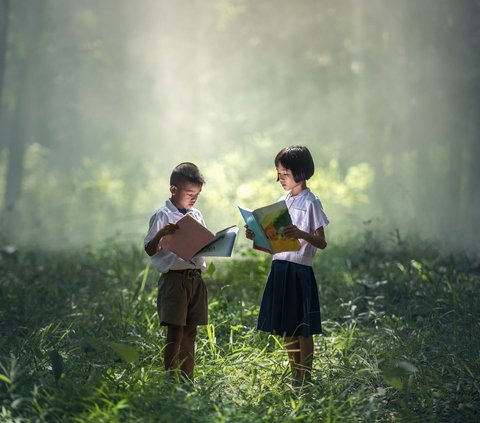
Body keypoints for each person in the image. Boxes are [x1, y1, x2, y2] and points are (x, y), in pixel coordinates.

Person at [245, 146, 329, 387]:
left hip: (300, 270)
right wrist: (256, 235)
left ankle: (307, 377)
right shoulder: (281, 202)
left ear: (300, 172)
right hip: (280, 267)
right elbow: (273, 242)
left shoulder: (312, 201)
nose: (279, 179)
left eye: (283, 173)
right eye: (278, 174)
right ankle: (295, 376)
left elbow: (321, 242)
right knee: (287, 327)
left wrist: (302, 233)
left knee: (303, 327)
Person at [144, 162, 208, 382]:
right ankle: (171, 380)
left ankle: (187, 379)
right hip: (174, 280)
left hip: (195, 279)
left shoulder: (196, 215)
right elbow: (149, 249)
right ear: (174, 189)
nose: (193, 198)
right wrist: (161, 233)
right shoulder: (162, 215)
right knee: (175, 333)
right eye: (189, 193)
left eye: (197, 194)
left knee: (191, 332)